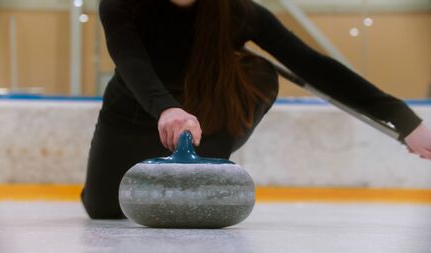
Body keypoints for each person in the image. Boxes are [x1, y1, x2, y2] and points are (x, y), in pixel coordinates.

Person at [81, 0, 431, 219]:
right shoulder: (121, 5)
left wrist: (405, 120)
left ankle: (207, 162)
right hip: (131, 114)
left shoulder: (238, 12)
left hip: (202, 119)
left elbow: (314, 66)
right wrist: (167, 109)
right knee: (104, 210)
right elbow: (130, 62)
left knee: (259, 72)